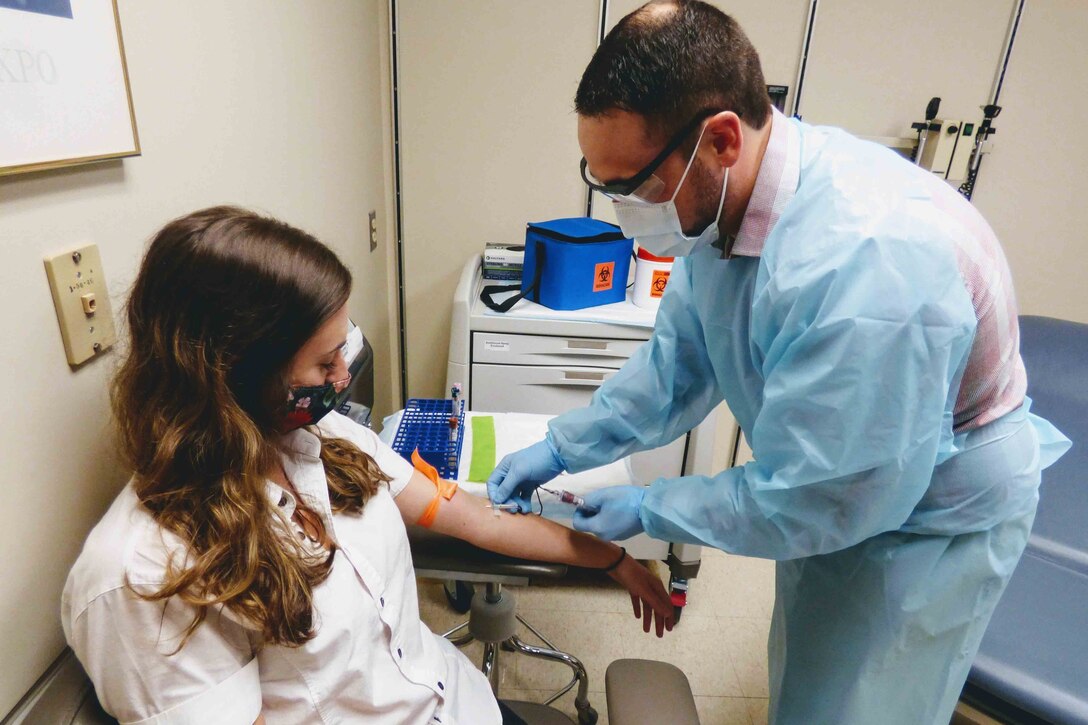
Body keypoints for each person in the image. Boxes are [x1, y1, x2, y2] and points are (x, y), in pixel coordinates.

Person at [487, 2, 1071, 723]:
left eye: (631, 186)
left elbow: (820, 497)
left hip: (926, 520)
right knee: (809, 678)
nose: (621, 210)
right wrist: (563, 446)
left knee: (865, 703)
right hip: (847, 479)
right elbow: (678, 364)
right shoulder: (725, 203)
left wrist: (654, 507)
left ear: (721, 138)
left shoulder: (870, 266)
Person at [61, 206, 674, 725]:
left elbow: (467, 516)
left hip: (454, 702)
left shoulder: (322, 436)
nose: (343, 378)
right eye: (325, 362)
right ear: (232, 375)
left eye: (344, 348)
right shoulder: (144, 579)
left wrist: (614, 558)